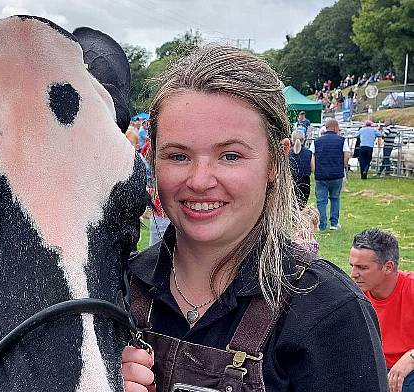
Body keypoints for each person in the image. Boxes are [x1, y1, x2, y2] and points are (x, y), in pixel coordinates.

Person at [121, 45, 386, 392]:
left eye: (230, 155)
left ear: (276, 161)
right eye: (178, 156)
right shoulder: (117, 289)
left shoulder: (330, 313)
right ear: (153, 160)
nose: (200, 180)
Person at [349, 229, 414, 392]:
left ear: (388, 267)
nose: (353, 274)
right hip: (372, 368)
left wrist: (411, 357)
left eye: (362, 268)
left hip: (407, 372)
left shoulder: (411, 288)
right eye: (352, 266)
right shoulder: (352, 295)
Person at [311, 117, 350, 231]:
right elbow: (347, 154)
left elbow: (311, 156)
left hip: (321, 175)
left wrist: (314, 169)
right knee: (335, 198)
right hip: (336, 174)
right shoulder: (342, 140)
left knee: (321, 200)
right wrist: (342, 166)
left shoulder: (316, 141)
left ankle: (321, 225)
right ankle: (334, 223)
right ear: (335, 128)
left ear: (326, 128)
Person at [288, 130, 313, 209]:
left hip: (290, 181)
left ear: (292, 140)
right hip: (305, 182)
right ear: (304, 140)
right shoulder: (309, 153)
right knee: (302, 207)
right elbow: (313, 168)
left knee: (291, 206)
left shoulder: (287, 153)